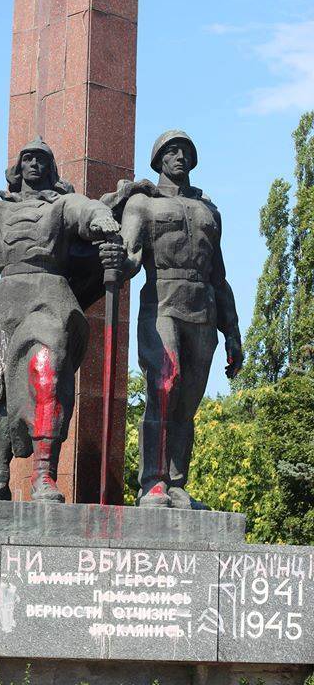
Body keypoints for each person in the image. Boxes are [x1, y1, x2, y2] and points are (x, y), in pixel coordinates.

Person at [0, 136, 120, 503]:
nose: (34, 165)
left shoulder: (62, 204)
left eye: (42, 160)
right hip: (4, 305)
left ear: (51, 169)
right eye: (28, 159)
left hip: (50, 299)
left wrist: (103, 220)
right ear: (17, 168)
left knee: (46, 374)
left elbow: (86, 212)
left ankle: (44, 476)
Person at [100, 130, 243, 508]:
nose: (180, 156)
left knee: (187, 402)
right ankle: (153, 482)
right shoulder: (142, 205)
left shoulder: (209, 212)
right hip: (161, 302)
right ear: (159, 158)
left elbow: (219, 276)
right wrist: (117, 263)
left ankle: (177, 481)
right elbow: (131, 257)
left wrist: (233, 333)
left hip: (204, 309)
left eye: (186, 152)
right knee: (165, 385)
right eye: (172, 151)